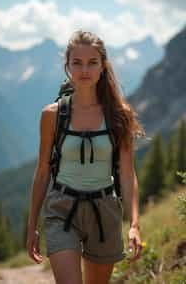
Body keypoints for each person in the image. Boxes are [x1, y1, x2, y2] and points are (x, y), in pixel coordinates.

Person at [26, 30, 145, 284]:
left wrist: (134, 223)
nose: (84, 70)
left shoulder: (119, 115)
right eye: (77, 63)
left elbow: (126, 172)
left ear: (103, 66)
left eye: (92, 62)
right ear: (67, 67)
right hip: (61, 209)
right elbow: (42, 172)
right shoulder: (52, 115)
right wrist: (32, 224)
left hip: (105, 211)